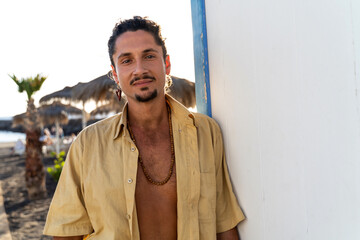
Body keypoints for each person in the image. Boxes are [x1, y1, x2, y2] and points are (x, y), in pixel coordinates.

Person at [43, 16, 245, 240]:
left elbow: (224, 223)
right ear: (115, 74)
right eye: (127, 60)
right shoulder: (88, 144)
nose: (139, 69)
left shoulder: (205, 132)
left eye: (149, 56)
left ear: (166, 64)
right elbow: (66, 233)